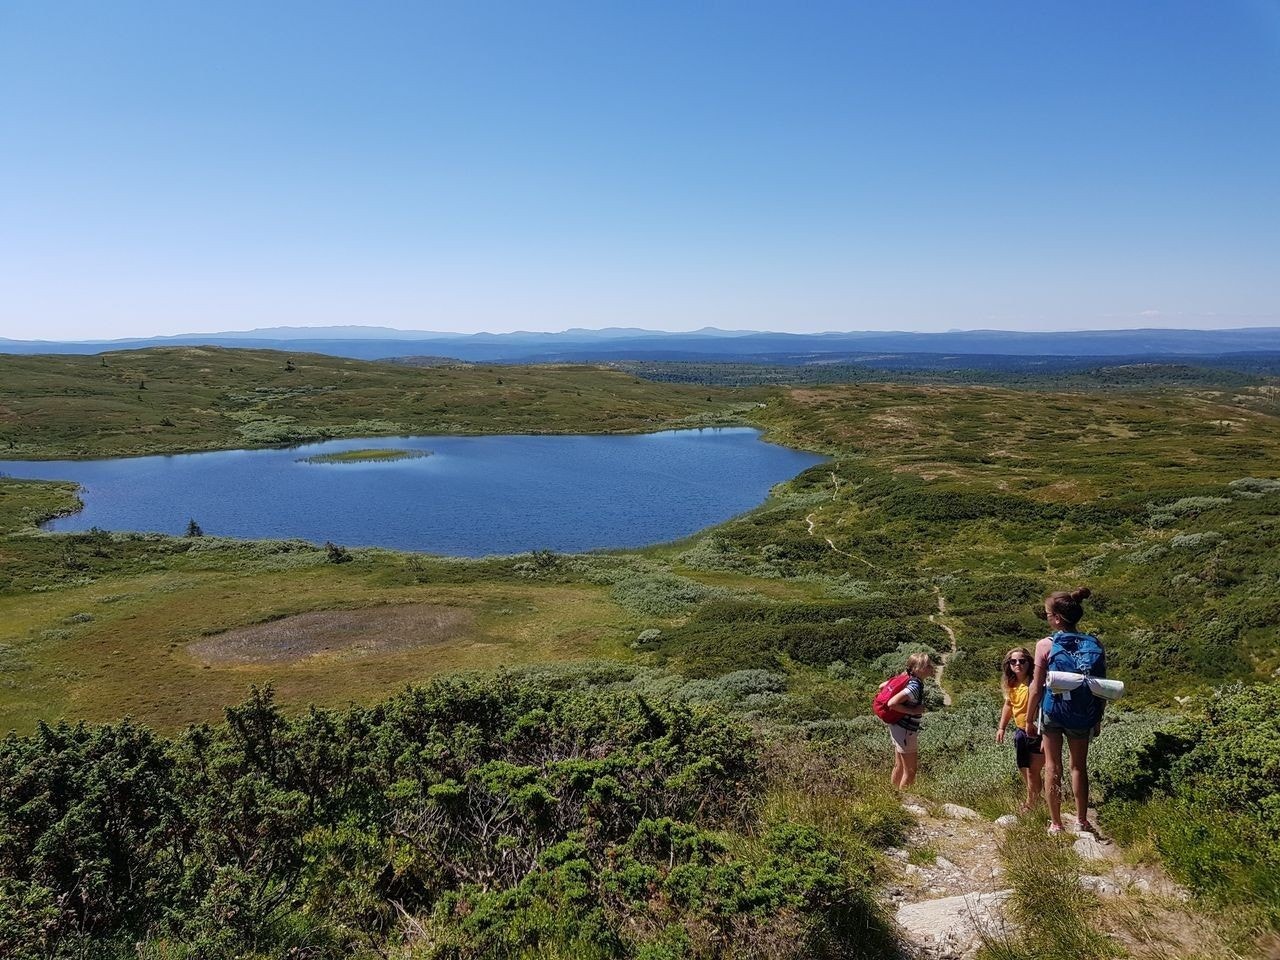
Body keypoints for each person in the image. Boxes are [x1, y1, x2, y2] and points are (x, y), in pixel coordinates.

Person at [1025, 587, 1106, 836]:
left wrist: (1029, 719)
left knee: (1052, 767)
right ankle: (1081, 821)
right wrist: (1097, 718)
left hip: (1053, 712)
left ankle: (1056, 823)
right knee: (1078, 767)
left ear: (1057, 618)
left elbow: (1036, 688)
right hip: (1082, 712)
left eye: (1048, 613)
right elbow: (1100, 688)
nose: (1047, 617)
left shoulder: (1044, 645)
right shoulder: (1093, 644)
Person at [996, 646, 1044, 812]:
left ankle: (1031, 804)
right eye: (1013, 661)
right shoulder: (1012, 684)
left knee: (1033, 771)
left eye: (1022, 661)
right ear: (1009, 665)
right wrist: (1001, 727)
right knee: (1024, 768)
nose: (1018, 664)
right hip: (1021, 732)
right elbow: (1008, 705)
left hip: (1038, 732)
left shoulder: (1035, 683)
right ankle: (1036, 798)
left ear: (1029, 663)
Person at [882, 652, 935, 790]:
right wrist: (913, 711)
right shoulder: (915, 686)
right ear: (917, 668)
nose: (931, 667)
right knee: (910, 771)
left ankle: (892, 797)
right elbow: (892, 703)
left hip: (897, 726)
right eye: (927, 665)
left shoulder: (906, 677)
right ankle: (904, 803)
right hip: (906, 730)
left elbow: (883, 686)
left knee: (899, 766)